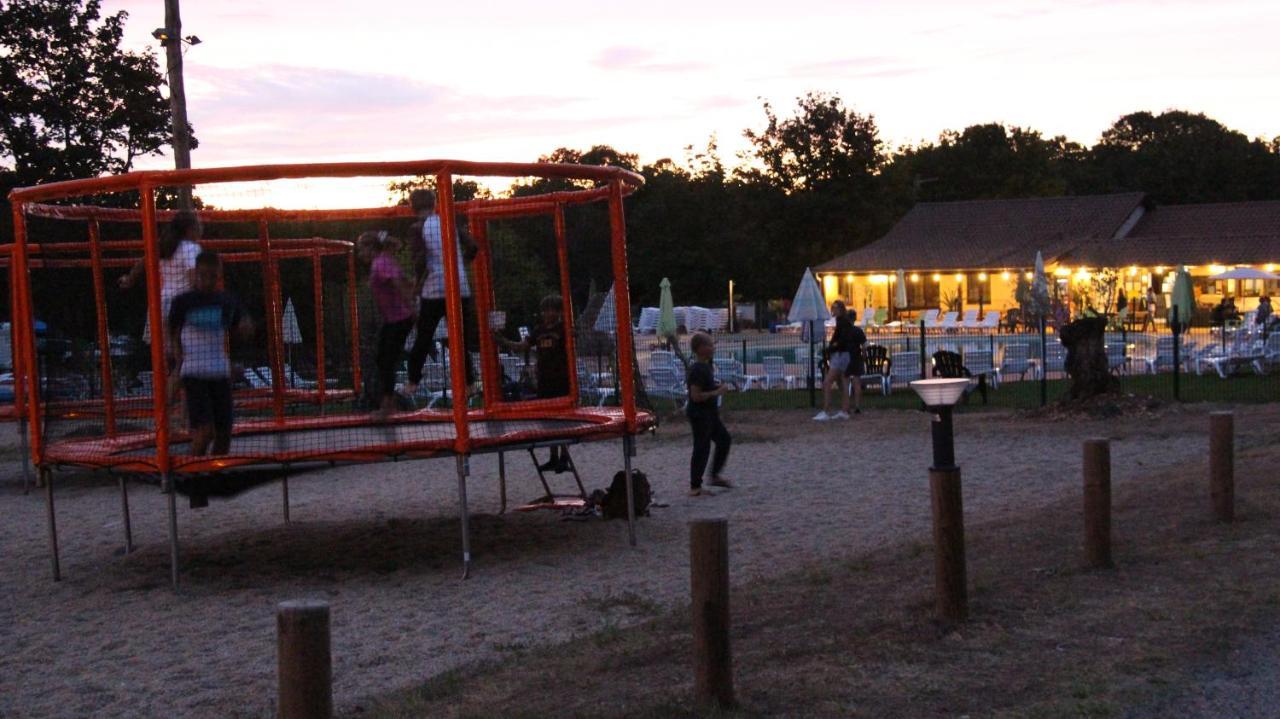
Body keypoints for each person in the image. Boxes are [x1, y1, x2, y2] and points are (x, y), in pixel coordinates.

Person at [167, 251, 253, 457]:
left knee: (224, 434)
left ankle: (214, 473)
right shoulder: (184, 302)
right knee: (205, 432)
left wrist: (245, 327)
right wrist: (178, 354)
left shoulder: (227, 301)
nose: (207, 281)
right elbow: (172, 329)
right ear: (196, 273)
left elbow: (242, 325)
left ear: (219, 275)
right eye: (203, 275)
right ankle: (190, 471)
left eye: (213, 276)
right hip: (194, 373)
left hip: (219, 373)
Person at [403, 189, 480, 398]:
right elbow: (473, 246)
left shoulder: (417, 228)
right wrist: (460, 264)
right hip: (459, 287)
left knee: (424, 337)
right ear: (434, 203)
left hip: (434, 290)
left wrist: (417, 285)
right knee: (460, 339)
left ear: (413, 207)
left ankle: (413, 381)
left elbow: (420, 261)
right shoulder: (449, 222)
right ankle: (470, 384)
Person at [495, 294, 572, 472]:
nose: (546, 313)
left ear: (558, 312)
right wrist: (503, 341)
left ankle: (564, 457)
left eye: (550, 310)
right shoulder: (539, 330)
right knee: (548, 419)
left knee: (564, 419)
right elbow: (523, 346)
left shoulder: (563, 329)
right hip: (545, 379)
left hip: (561, 378)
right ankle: (553, 456)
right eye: (544, 310)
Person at [358, 231, 416, 419]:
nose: (360, 254)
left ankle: (387, 406)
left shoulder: (380, 263)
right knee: (383, 360)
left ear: (371, 248)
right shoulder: (385, 260)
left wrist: (413, 307)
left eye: (362, 249)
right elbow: (403, 280)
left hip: (400, 318)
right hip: (393, 319)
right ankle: (388, 403)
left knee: (386, 361)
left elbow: (398, 283)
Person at [685, 332, 734, 497]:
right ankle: (695, 486)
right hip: (700, 414)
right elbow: (696, 396)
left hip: (710, 414)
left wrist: (714, 386)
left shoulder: (706, 366)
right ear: (700, 348)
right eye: (710, 345)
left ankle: (714, 476)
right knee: (702, 447)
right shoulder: (697, 369)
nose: (713, 348)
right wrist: (717, 392)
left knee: (724, 440)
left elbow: (705, 388)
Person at [814, 300, 862, 421]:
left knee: (827, 382)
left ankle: (826, 410)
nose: (833, 310)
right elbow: (839, 339)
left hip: (840, 355)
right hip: (844, 355)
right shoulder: (842, 322)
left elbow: (841, 340)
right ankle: (844, 410)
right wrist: (832, 346)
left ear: (840, 309)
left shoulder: (842, 322)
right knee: (843, 383)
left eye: (835, 308)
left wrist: (831, 348)